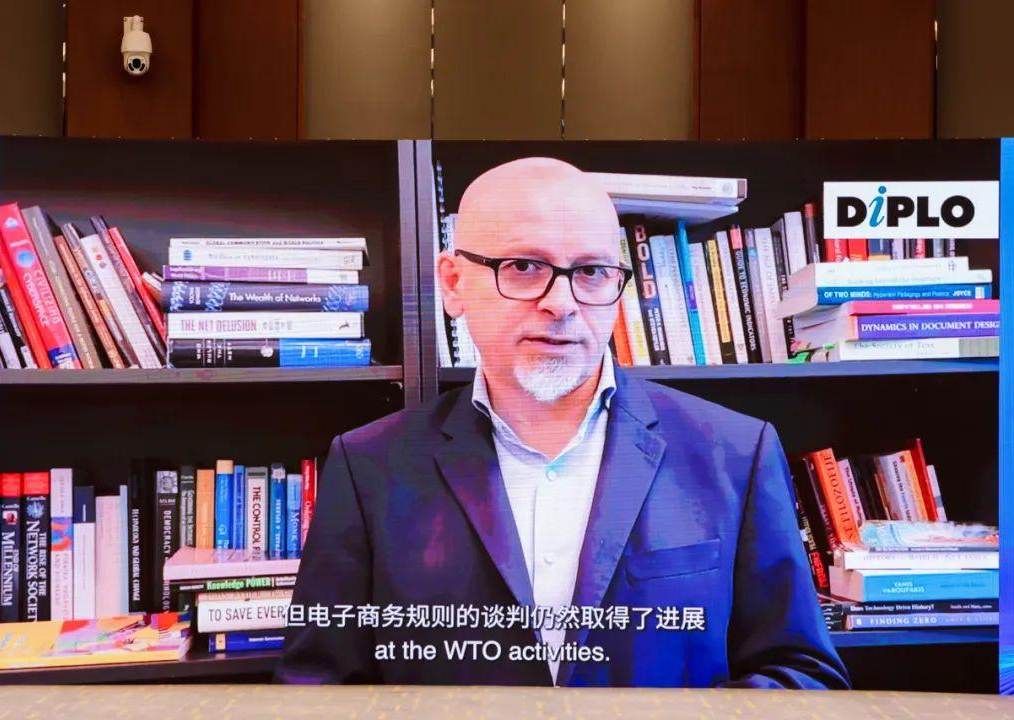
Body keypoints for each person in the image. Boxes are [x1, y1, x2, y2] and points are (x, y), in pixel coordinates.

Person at [276, 157, 850, 689]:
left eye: (592, 271)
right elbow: (318, 690)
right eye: (524, 267)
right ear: (453, 283)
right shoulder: (369, 465)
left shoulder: (735, 452)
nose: (563, 303)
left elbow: (801, 674)